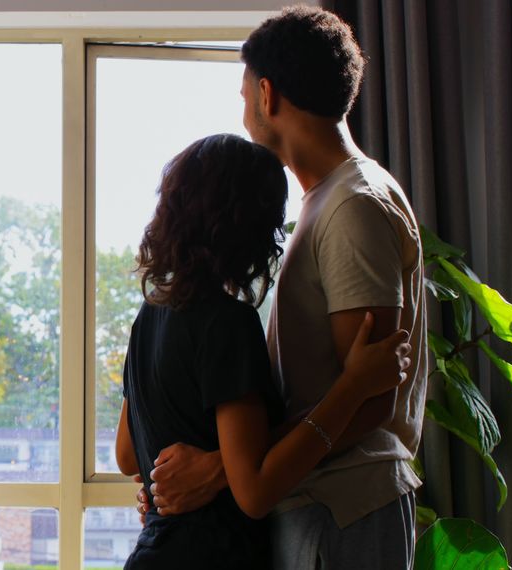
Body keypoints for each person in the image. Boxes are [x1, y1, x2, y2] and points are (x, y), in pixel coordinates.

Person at [134, 6, 428, 569]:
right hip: (314, 505)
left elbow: (371, 394)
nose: (244, 113)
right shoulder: (325, 202)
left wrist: (222, 468)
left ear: (267, 95)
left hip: (343, 509)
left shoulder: (353, 206)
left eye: (243, 97)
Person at [115, 133, 411, 569]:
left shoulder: (150, 314)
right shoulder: (227, 323)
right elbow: (253, 490)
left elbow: (126, 455)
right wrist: (354, 384)